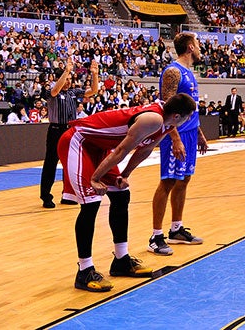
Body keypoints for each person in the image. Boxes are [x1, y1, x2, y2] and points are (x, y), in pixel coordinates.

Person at [59, 93, 197, 292]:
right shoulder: (154, 118)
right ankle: (84, 270)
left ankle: (121, 260)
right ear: (177, 115)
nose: (189, 120)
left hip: (100, 146)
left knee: (121, 194)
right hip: (79, 141)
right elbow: (122, 150)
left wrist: (124, 175)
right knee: (91, 203)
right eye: (188, 116)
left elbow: (144, 150)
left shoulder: (167, 123)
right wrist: (96, 178)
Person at [149, 33, 208, 257]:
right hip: (177, 134)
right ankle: (155, 236)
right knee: (168, 181)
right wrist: (174, 138)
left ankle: (176, 229)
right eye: (199, 45)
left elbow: (190, 110)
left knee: (184, 180)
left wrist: (199, 132)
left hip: (191, 132)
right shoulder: (173, 71)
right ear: (191, 47)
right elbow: (165, 106)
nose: (201, 49)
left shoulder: (190, 72)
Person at [41, 55, 99, 208]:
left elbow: (93, 91)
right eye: (65, 78)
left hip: (70, 131)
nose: (68, 81)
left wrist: (94, 74)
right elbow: (54, 91)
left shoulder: (73, 93)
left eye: (69, 79)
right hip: (55, 130)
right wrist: (66, 71)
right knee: (51, 163)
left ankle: (68, 195)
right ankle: (46, 196)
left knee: (70, 164)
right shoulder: (50, 92)